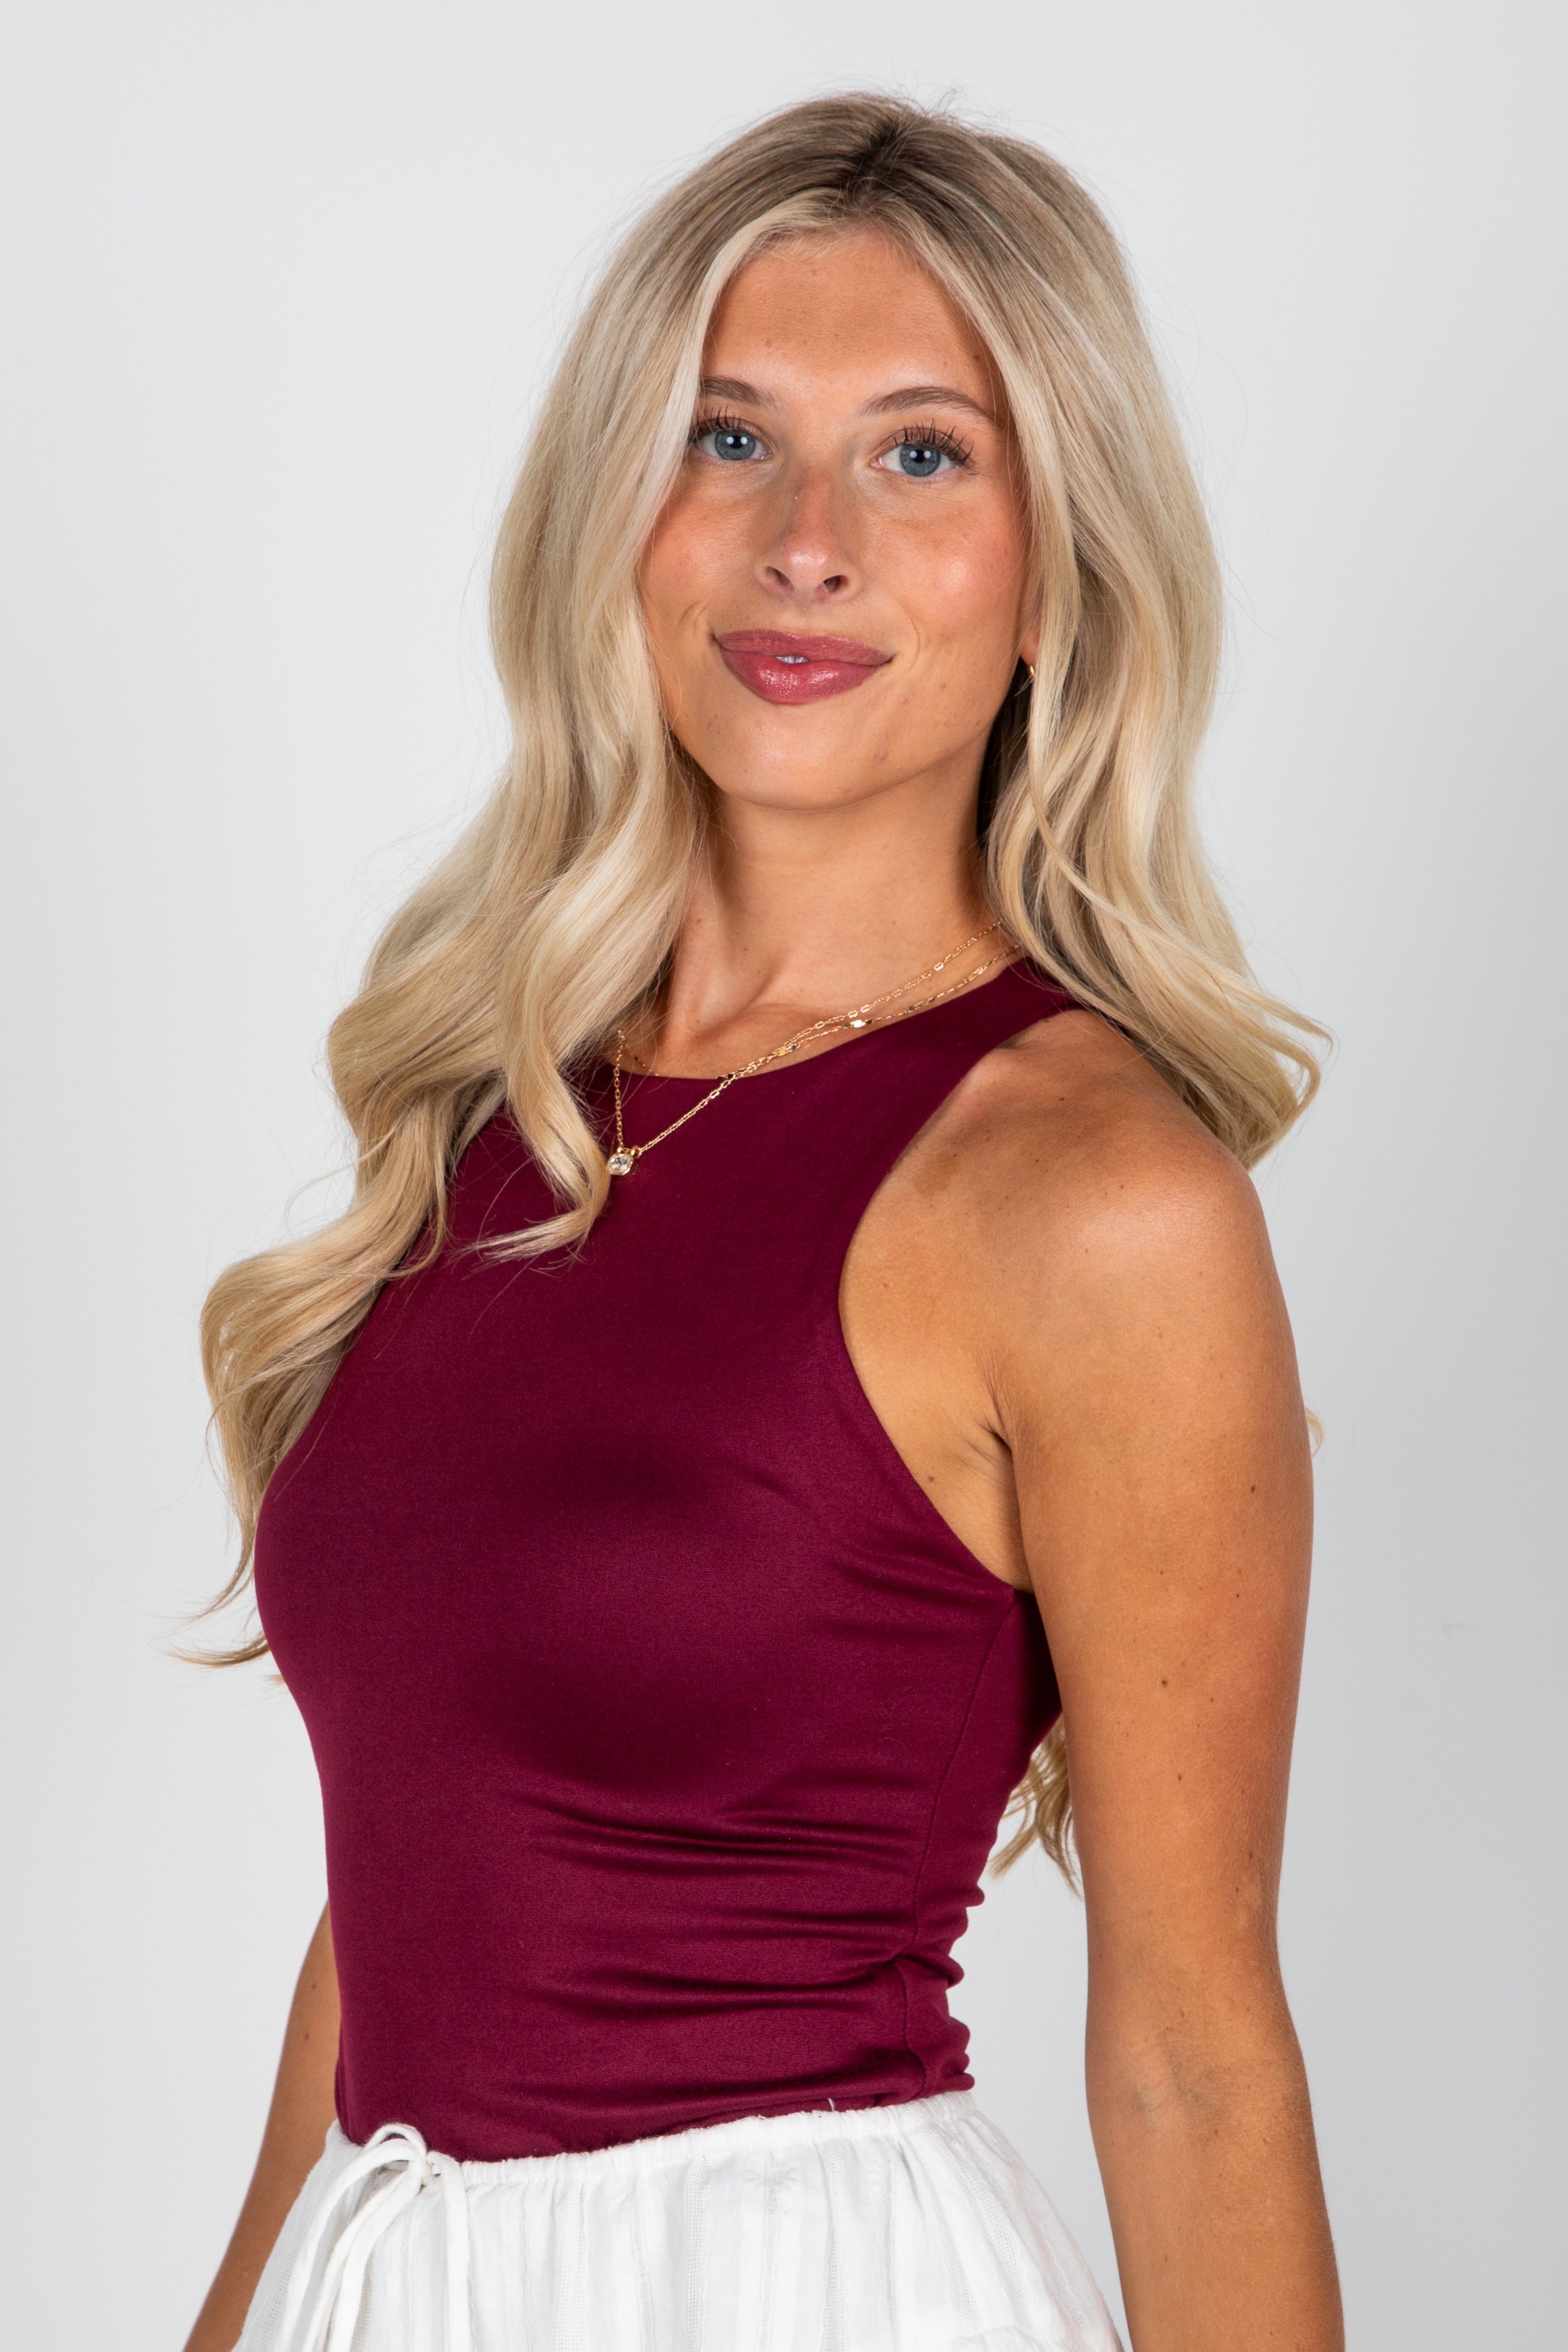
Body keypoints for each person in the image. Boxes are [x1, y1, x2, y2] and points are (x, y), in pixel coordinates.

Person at [184, 94, 1343, 2352]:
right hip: (399, 2280)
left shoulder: (1092, 1195)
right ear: (620, 517)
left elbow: (1194, 2059)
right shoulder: (487, 1107)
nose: (805, 540)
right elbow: (405, 1895)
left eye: (922, 456)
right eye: (728, 438)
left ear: (1055, 569)